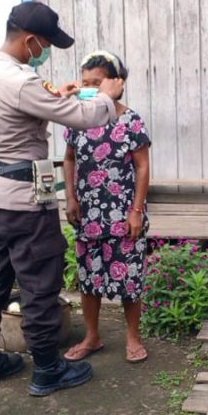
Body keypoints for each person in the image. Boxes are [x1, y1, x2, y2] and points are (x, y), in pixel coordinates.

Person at [0, 1, 125, 395]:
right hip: (25, 200)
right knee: (38, 280)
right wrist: (106, 96)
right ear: (31, 40)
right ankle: (48, 368)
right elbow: (84, 118)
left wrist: (61, 93)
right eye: (46, 44)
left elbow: (27, 109)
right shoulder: (21, 81)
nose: (46, 51)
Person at [62, 51, 153, 364]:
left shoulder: (130, 121)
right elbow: (70, 158)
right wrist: (71, 197)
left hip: (123, 212)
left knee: (129, 276)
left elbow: (142, 167)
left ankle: (133, 337)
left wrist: (136, 210)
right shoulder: (78, 118)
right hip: (87, 212)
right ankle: (92, 336)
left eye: (96, 83)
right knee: (89, 278)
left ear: (117, 83)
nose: (89, 89)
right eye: (85, 83)